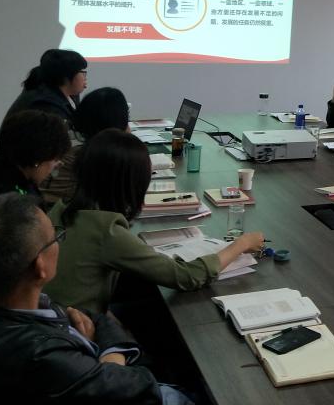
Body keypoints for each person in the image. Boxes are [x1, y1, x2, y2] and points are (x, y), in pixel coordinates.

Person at [0, 192, 177, 404]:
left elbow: (94, 318)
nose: (59, 243)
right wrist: (112, 359)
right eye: (56, 237)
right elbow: (137, 386)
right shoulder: (43, 356)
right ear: (40, 266)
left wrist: (103, 356)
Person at [45, 129, 265, 314]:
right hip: (76, 332)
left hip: (51, 319)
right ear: (127, 183)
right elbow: (187, 277)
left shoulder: (63, 206)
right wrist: (241, 244)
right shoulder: (106, 231)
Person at [40, 86, 130, 205]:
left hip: (46, 207)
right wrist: (127, 138)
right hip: (59, 211)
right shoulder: (94, 154)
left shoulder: (74, 140)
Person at [0, 109, 70, 203]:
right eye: (56, 159)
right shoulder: (13, 202)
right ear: (37, 159)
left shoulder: (4, 177)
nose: (57, 165)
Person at [4, 49, 88, 128]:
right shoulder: (45, 103)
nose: (85, 77)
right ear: (67, 75)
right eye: (82, 72)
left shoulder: (67, 95)